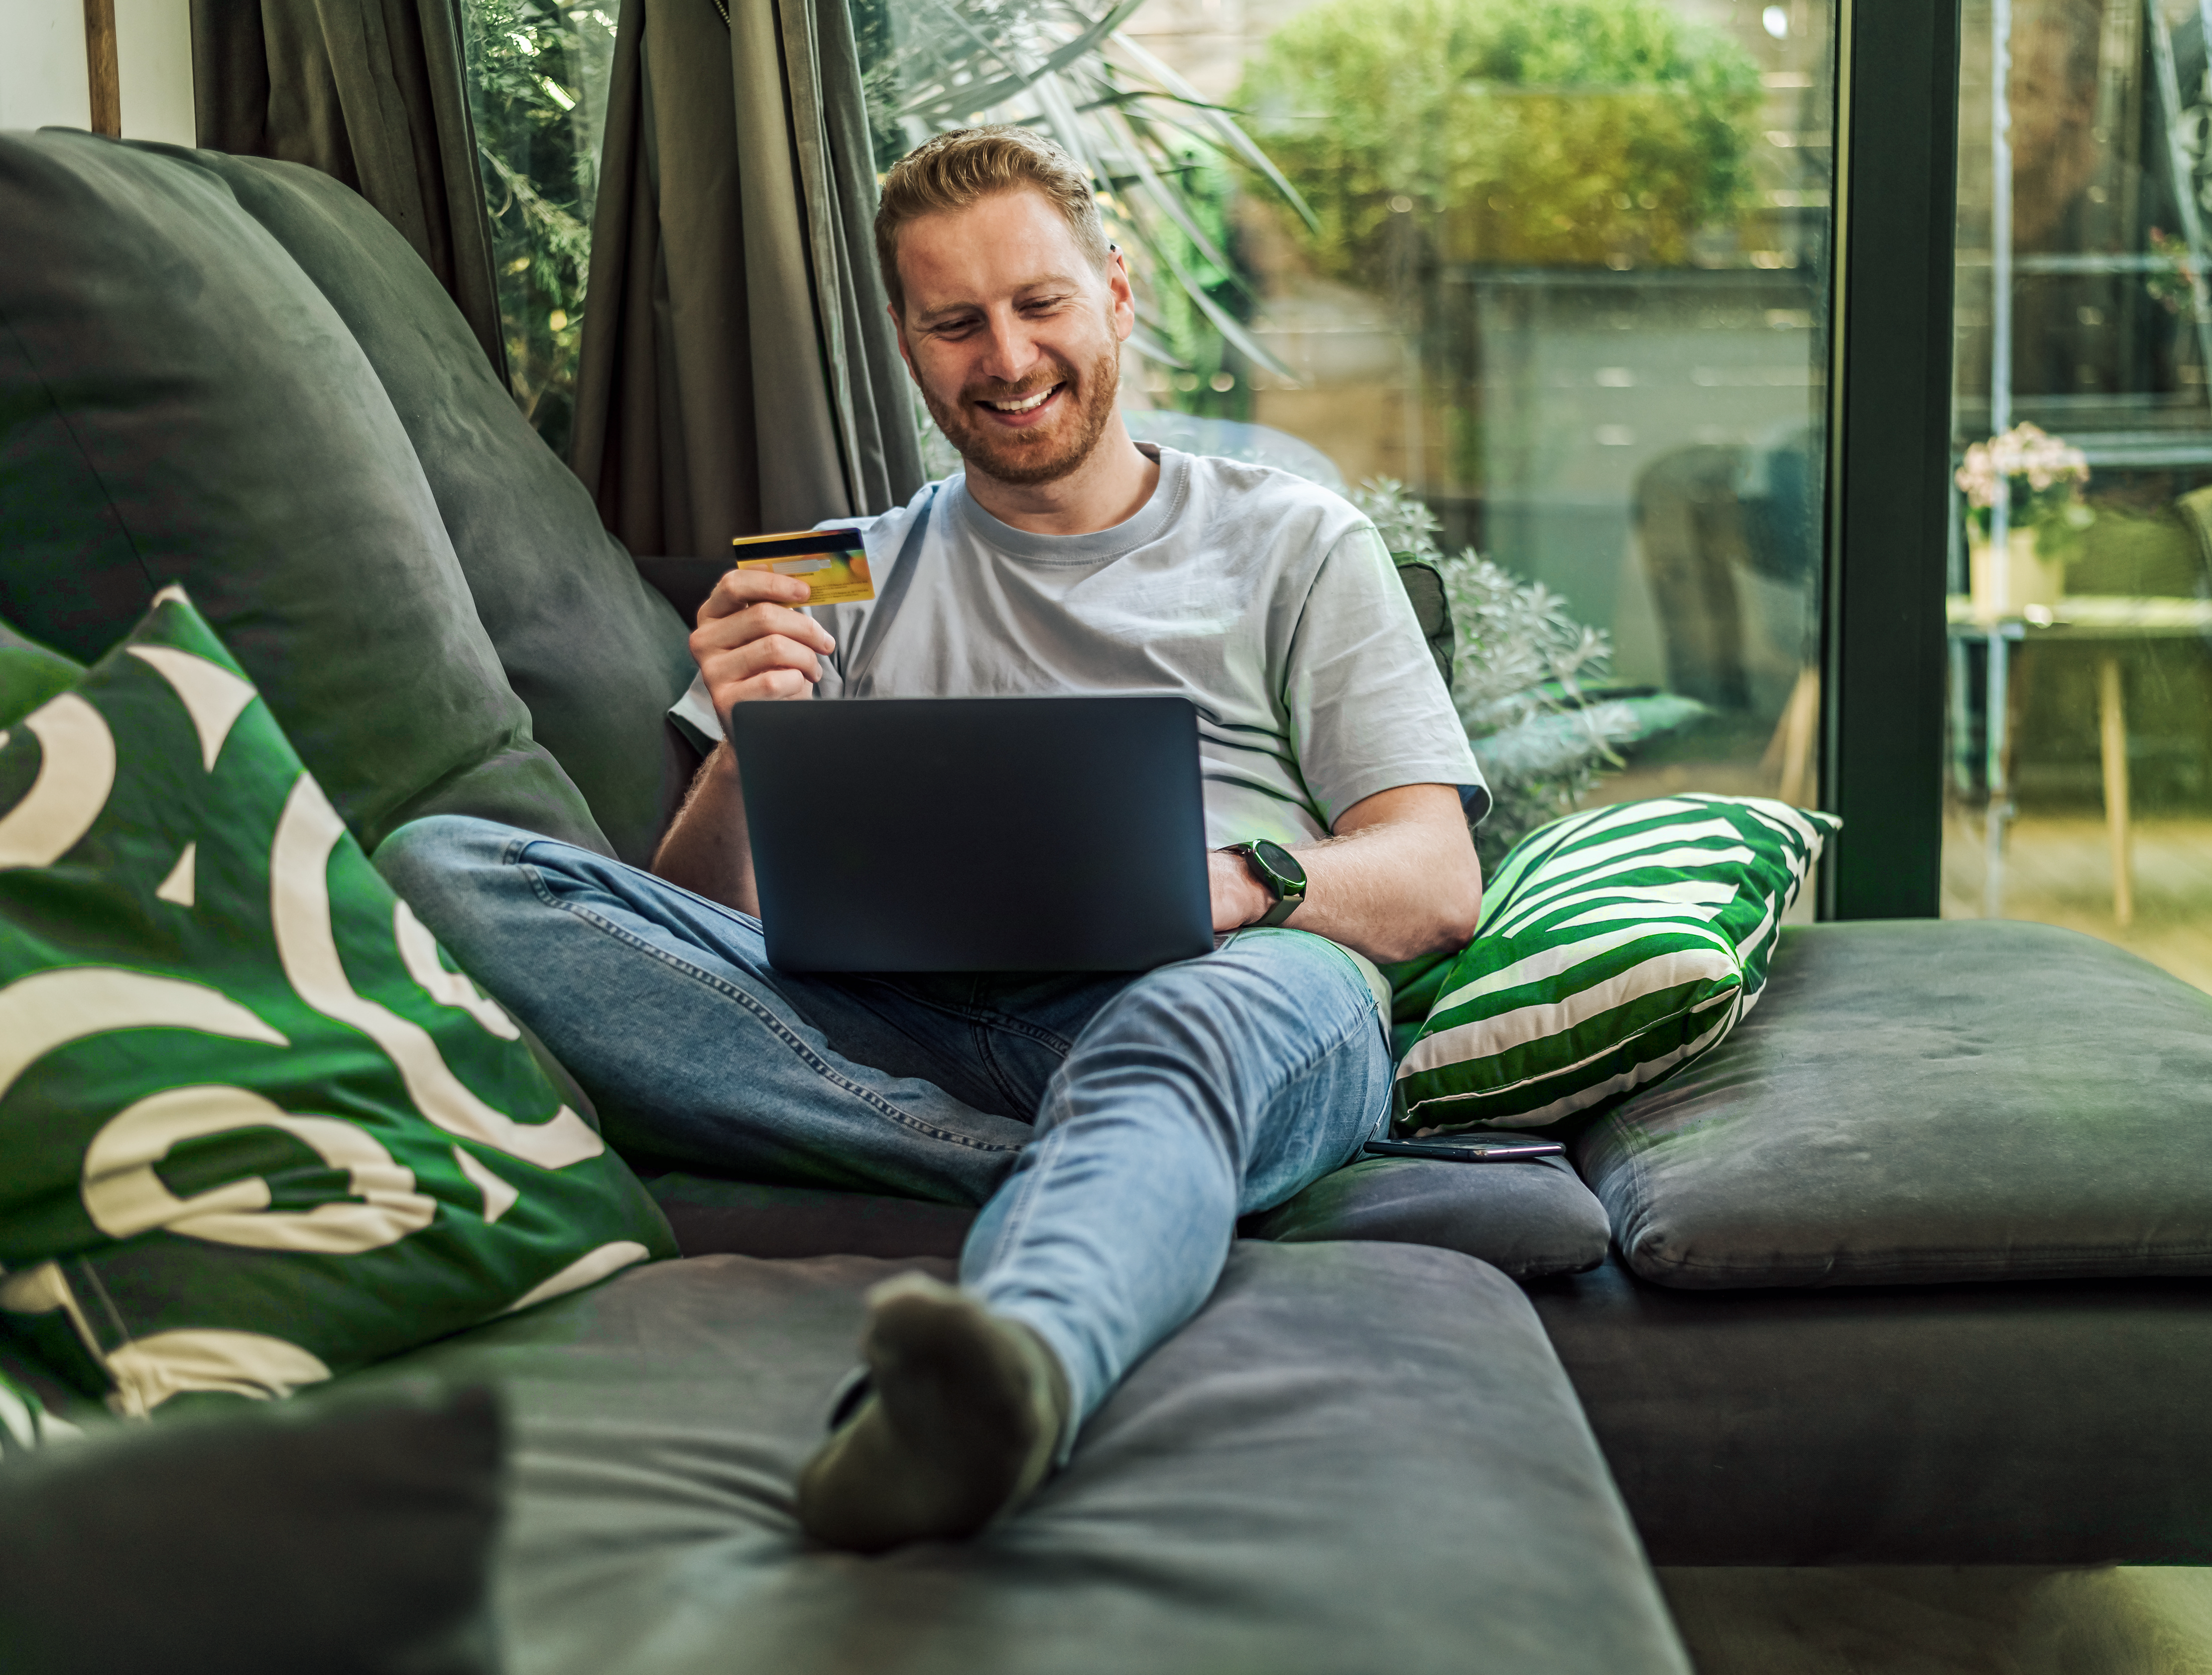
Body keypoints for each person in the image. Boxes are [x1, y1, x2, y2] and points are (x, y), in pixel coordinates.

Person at [375, 125, 1486, 1554]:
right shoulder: (836, 571)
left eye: (1039, 306)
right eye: (955, 323)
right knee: (445, 870)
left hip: (1227, 986)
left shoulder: (1294, 541)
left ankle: (1012, 1370)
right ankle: (1107, 1161)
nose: (1007, 361)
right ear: (904, 341)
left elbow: (1435, 878)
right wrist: (746, 744)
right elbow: (696, 925)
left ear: (1118, 295)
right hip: (908, 1018)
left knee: (1179, 1043)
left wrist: (1225, 887)